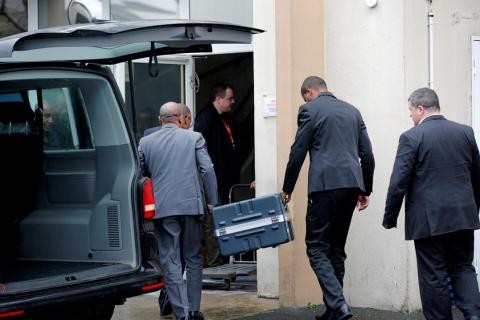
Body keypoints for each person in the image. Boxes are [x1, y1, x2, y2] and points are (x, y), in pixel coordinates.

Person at [281, 76, 375, 320]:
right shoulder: (353, 111)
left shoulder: (309, 110)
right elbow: (368, 155)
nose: (305, 100)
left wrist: (287, 187)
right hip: (352, 185)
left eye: (305, 96)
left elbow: (298, 150)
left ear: (309, 92)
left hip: (324, 186)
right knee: (336, 248)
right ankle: (333, 308)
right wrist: (365, 190)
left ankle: (339, 305)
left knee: (316, 247)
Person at [383, 88, 480, 320]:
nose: (410, 117)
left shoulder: (411, 137)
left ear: (420, 109)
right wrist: (472, 210)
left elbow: (398, 181)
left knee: (433, 274)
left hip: (429, 222)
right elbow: (476, 175)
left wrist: (390, 217)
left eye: (410, 112)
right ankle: (474, 315)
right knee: (463, 267)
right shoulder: (465, 132)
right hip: (462, 217)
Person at [138, 102, 218, 320]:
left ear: (160, 120)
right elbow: (208, 169)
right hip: (192, 207)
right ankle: (194, 310)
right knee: (193, 258)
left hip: (163, 210)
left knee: (170, 260)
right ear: (182, 119)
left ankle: (181, 313)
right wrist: (211, 202)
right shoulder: (194, 138)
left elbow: (140, 176)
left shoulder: (145, 143)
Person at [194, 83, 240, 267]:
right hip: (212, 181)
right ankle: (215, 261)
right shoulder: (205, 119)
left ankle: (223, 257)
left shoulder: (226, 118)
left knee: (223, 220)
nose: (233, 102)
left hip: (225, 180)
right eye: (229, 98)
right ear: (218, 99)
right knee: (212, 222)